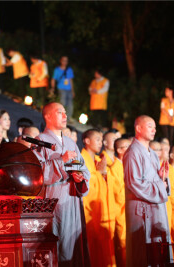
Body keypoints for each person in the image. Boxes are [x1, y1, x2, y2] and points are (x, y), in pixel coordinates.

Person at [35, 102, 90, 266]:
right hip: (55, 201)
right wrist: (61, 161)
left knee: (73, 245)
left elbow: (83, 169)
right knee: (58, 246)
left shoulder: (70, 142)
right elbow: (37, 173)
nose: (65, 116)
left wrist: (80, 177)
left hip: (73, 199)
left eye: (65, 112)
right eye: (60, 112)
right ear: (48, 116)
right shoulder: (40, 141)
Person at [123, 115, 173, 266]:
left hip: (155, 207)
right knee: (143, 252)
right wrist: (160, 186)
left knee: (157, 251)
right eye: (150, 126)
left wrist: (163, 178)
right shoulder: (133, 152)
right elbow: (134, 183)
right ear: (138, 128)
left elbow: (156, 181)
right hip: (142, 210)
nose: (154, 129)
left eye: (154, 126)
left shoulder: (151, 153)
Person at [81, 129, 116, 267]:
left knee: (103, 246)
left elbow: (109, 181)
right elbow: (83, 182)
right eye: (97, 139)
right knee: (91, 246)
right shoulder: (80, 159)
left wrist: (104, 174)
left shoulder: (98, 160)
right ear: (87, 141)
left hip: (100, 209)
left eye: (101, 140)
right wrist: (98, 173)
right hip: (87, 210)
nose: (100, 143)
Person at [110, 138, 131, 267]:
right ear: (119, 150)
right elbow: (117, 195)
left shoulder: (127, 165)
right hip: (120, 212)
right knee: (123, 245)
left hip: (130, 211)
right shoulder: (114, 169)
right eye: (126, 147)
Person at [51, 56, 75, 121]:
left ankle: (68, 118)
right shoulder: (57, 70)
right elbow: (53, 79)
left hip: (69, 89)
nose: (65, 62)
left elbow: (71, 80)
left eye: (66, 61)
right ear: (60, 61)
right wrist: (52, 88)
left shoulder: (69, 69)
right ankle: (59, 116)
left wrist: (73, 91)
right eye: (63, 60)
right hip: (61, 88)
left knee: (70, 104)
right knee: (63, 102)